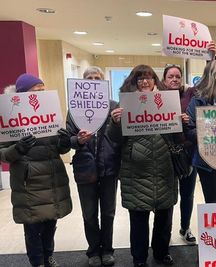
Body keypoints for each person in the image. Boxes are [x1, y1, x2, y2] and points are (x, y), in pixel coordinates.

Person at [108, 65, 178, 267]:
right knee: (138, 219)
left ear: (155, 81)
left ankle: (161, 252)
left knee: (164, 216)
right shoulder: (124, 105)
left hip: (165, 167)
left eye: (149, 78)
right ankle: (139, 258)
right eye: (140, 79)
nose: (145, 82)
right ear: (133, 82)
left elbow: (176, 137)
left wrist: (181, 121)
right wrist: (115, 123)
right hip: (136, 170)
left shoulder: (167, 102)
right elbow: (114, 139)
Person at [0, 73, 72, 267]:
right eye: (36, 90)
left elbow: (60, 148)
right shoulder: (9, 113)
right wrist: (18, 148)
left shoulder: (50, 112)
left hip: (51, 178)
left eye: (42, 89)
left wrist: (65, 143)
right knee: (32, 227)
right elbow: (3, 153)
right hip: (29, 182)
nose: (41, 93)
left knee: (50, 222)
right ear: (23, 94)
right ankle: (37, 262)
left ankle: (48, 256)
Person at [66, 67, 121, 267]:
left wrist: (116, 123)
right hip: (85, 169)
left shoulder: (114, 106)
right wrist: (78, 141)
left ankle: (107, 250)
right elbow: (67, 141)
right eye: (89, 78)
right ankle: (93, 252)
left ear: (103, 82)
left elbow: (119, 137)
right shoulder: (74, 110)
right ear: (83, 83)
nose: (93, 80)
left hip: (109, 168)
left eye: (97, 78)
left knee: (108, 213)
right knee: (89, 214)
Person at [186, 60, 216, 203]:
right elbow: (189, 130)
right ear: (215, 76)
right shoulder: (198, 100)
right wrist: (211, 134)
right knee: (213, 203)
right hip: (206, 162)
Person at [162, 64, 197, 245]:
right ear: (164, 80)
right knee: (167, 197)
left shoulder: (190, 93)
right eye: (170, 76)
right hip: (165, 155)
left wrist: (209, 58)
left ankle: (185, 227)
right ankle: (164, 233)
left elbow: (207, 83)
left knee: (187, 194)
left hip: (187, 152)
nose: (174, 79)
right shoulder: (157, 97)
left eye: (177, 76)